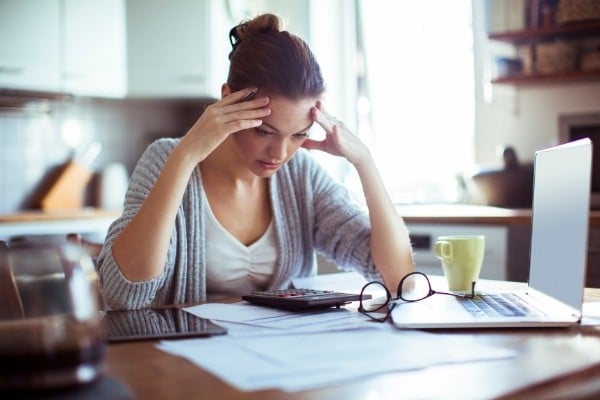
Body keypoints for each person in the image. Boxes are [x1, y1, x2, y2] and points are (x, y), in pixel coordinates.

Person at [96, 13, 414, 310]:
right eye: (264, 131)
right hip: (184, 364)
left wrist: (364, 162)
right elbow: (124, 296)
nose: (279, 154)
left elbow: (399, 280)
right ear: (227, 99)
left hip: (276, 360)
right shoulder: (167, 159)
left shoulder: (301, 176)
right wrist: (186, 156)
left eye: (298, 135)